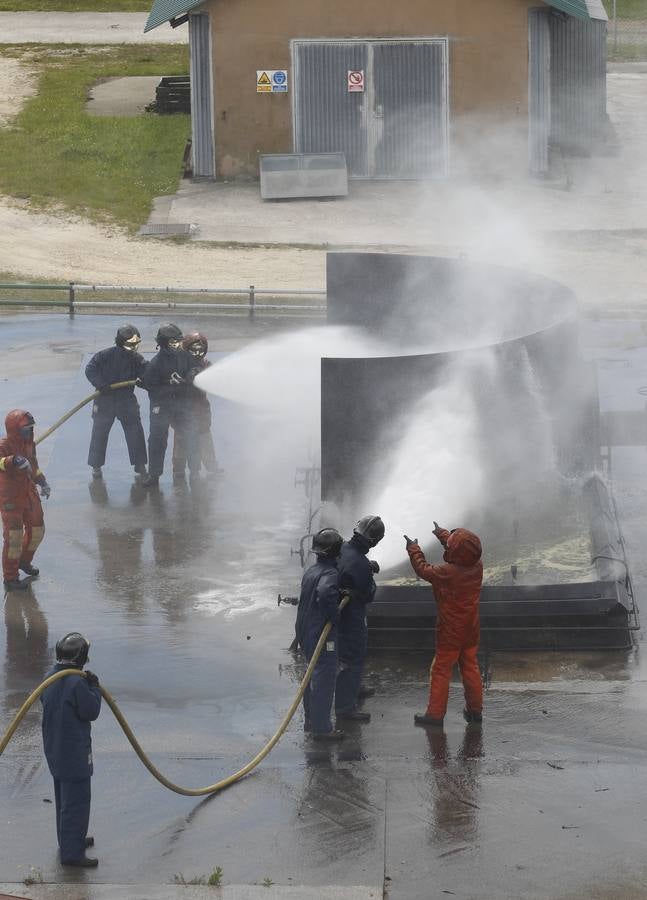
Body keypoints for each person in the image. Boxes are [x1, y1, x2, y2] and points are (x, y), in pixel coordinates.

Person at [404, 522, 483, 728]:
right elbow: (460, 548)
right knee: (470, 668)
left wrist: (414, 549)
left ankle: (435, 715)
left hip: (450, 632)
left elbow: (423, 569)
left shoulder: (447, 572)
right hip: (471, 629)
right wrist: (442, 534)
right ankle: (475, 711)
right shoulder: (476, 565)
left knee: (440, 670)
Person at [40, 632, 101, 868]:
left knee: (64, 799)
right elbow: (91, 711)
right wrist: (94, 687)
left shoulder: (50, 677)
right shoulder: (77, 683)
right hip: (74, 753)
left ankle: (69, 841)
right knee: (76, 801)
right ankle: (72, 854)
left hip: (56, 750)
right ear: (82, 658)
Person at [295, 528, 345, 741]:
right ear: (336, 552)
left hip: (305, 630)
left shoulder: (312, 571)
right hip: (321, 633)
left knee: (311, 676)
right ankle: (322, 729)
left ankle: (310, 721)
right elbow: (324, 594)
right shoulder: (330, 574)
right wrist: (335, 616)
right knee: (324, 678)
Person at [335, 514, 385, 724]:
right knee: (352, 657)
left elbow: (353, 565)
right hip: (352, 617)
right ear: (374, 541)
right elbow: (368, 594)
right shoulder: (360, 565)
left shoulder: (345, 548)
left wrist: (367, 565)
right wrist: (369, 574)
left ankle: (356, 687)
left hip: (342, 615)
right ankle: (346, 708)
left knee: (351, 657)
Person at [85, 324, 148, 480]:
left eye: (136, 344)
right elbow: (90, 369)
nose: (134, 347)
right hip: (104, 398)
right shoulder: (104, 356)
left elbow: (147, 372)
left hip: (126, 400)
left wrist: (144, 380)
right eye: (131, 344)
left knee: (135, 432)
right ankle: (96, 465)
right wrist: (101, 384)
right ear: (120, 342)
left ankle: (140, 465)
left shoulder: (137, 359)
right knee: (99, 433)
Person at [140, 323, 199, 487]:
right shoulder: (155, 364)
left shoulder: (185, 356)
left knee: (192, 436)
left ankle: (195, 472)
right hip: (162, 406)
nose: (178, 345)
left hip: (182, 405)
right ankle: (154, 476)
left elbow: (195, 367)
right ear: (164, 343)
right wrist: (169, 386)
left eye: (179, 341)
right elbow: (151, 387)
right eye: (174, 342)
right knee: (157, 440)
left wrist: (192, 373)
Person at [0, 410, 51, 591]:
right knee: (13, 538)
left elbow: (34, 466)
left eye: (30, 429)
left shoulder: (30, 444)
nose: (29, 433)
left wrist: (42, 481)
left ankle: (23, 561)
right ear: (14, 430)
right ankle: (10, 578)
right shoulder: (4, 445)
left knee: (37, 530)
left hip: (29, 493)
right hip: (11, 497)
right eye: (25, 430)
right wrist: (12, 460)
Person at [172, 331, 220, 478]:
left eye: (201, 350)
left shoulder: (206, 365)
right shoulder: (178, 365)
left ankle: (211, 466)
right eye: (194, 350)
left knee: (204, 436)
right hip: (181, 408)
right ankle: (178, 468)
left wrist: (199, 373)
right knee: (180, 438)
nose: (197, 353)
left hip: (200, 408)